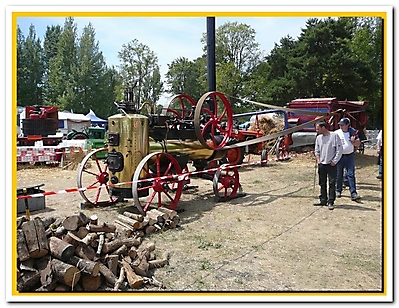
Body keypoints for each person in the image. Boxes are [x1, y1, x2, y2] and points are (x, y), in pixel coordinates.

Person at [314, 121, 343, 210]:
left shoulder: (334, 136)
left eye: (318, 128)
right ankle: (323, 199)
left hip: (331, 164)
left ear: (323, 127)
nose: (317, 130)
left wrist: (335, 161)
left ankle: (331, 201)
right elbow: (316, 150)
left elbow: (339, 150)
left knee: (332, 183)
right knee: (322, 183)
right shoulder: (318, 138)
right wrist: (318, 160)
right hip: (322, 164)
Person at [335, 117, 361, 201]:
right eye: (340, 125)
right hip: (340, 156)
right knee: (339, 174)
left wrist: (353, 141)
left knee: (351, 174)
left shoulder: (353, 132)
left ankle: (353, 193)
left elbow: (358, 144)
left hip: (350, 156)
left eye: (342, 125)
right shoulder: (336, 133)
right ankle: (338, 190)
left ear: (347, 125)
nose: (341, 126)